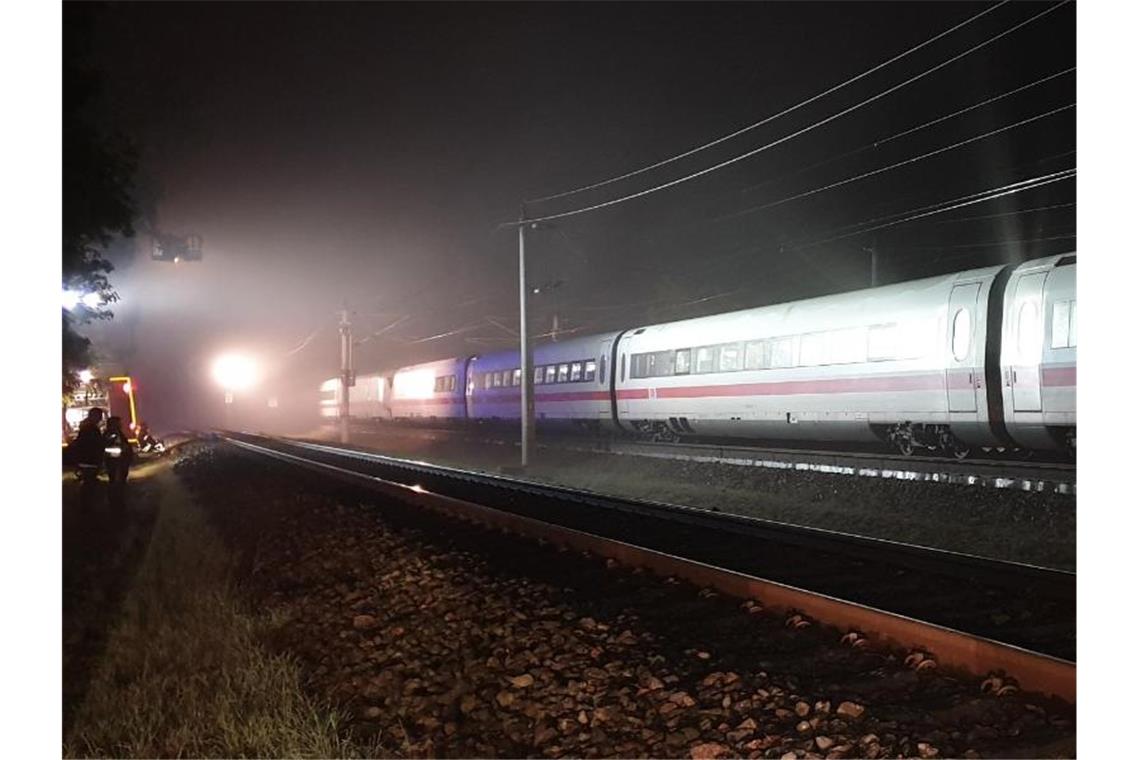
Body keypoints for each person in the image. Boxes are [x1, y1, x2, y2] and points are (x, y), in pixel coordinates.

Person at [70, 408, 105, 512]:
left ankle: (86, 508)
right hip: (89, 461)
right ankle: (87, 509)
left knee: (88, 485)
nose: (100, 419)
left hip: (87, 461)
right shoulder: (91, 429)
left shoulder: (86, 428)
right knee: (89, 486)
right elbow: (94, 445)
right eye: (99, 416)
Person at [103, 416, 135, 510]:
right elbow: (109, 448)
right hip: (116, 463)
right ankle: (116, 504)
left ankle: (119, 502)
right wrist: (122, 450)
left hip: (120, 463)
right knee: (116, 484)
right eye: (118, 423)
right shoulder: (111, 434)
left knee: (120, 483)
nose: (120, 425)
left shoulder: (117, 433)